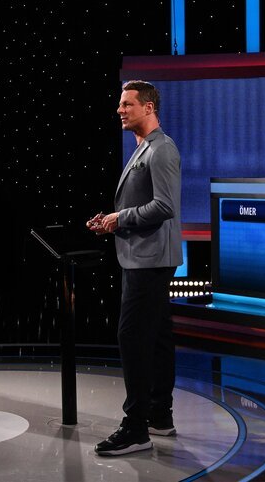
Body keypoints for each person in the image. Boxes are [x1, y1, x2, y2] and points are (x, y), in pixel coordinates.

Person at [87, 80, 182, 456]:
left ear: (149, 107)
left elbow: (165, 206)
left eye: (127, 104)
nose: (120, 110)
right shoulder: (144, 147)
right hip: (143, 256)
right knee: (157, 337)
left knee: (132, 337)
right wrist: (111, 220)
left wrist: (119, 218)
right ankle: (159, 415)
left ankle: (136, 427)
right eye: (120, 104)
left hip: (150, 260)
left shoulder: (161, 150)